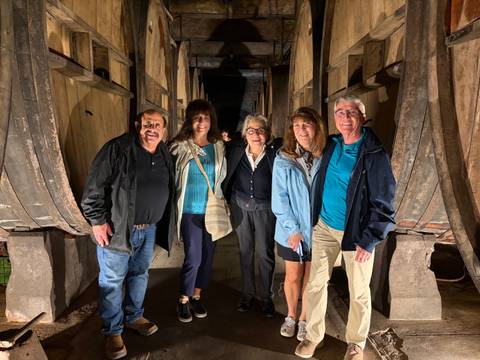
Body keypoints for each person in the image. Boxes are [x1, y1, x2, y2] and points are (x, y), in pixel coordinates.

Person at [295, 95, 396, 360]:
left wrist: (370, 239)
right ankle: (313, 335)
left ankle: (356, 344)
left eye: (352, 112)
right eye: (340, 112)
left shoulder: (375, 154)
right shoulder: (332, 144)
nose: (345, 117)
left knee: (359, 291)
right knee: (316, 284)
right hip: (325, 227)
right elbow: (304, 143)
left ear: (362, 117)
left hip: (357, 234)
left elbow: (384, 203)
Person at [81, 109, 175, 360]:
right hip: (118, 229)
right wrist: (97, 221)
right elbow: (93, 187)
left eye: (157, 124)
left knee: (140, 273)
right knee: (112, 280)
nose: (152, 128)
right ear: (137, 125)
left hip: (149, 229)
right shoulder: (118, 149)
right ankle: (112, 331)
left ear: (164, 129)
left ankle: (134, 316)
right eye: (147, 124)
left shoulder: (164, 151)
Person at [272, 107, 327, 342]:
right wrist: (292, 230)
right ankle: (291, 316)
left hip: (318, 230)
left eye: (306, 124)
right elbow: (279, 198)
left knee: (311, 277)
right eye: (296, 126)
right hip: (290, 231)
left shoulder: (326, 156)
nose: (301, 130)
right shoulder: (283, 158)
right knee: (293, 275)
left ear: (316, 126)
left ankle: (304, 319)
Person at [169, 99, 226, 323]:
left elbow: (221, 177)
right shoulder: (179, 146)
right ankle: (183, 299)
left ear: (212, 121)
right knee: (193, 256)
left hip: (210, 210)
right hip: (190, 210)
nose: (202, 122)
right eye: (197, 117)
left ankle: (196, 295)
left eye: (206, 117)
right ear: (190, 121)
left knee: (208, 257)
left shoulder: (218, 146)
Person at [222, 114, 282, 317]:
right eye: (251, 130)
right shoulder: (235, 150)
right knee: (245, 252)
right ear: (244, 134)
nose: (255, 134)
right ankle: (247, 293)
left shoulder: (275, 154)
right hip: (241, 208)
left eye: (260, 130)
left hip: (266, 209)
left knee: (265, 253)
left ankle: (266, 297)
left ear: (267, 133)